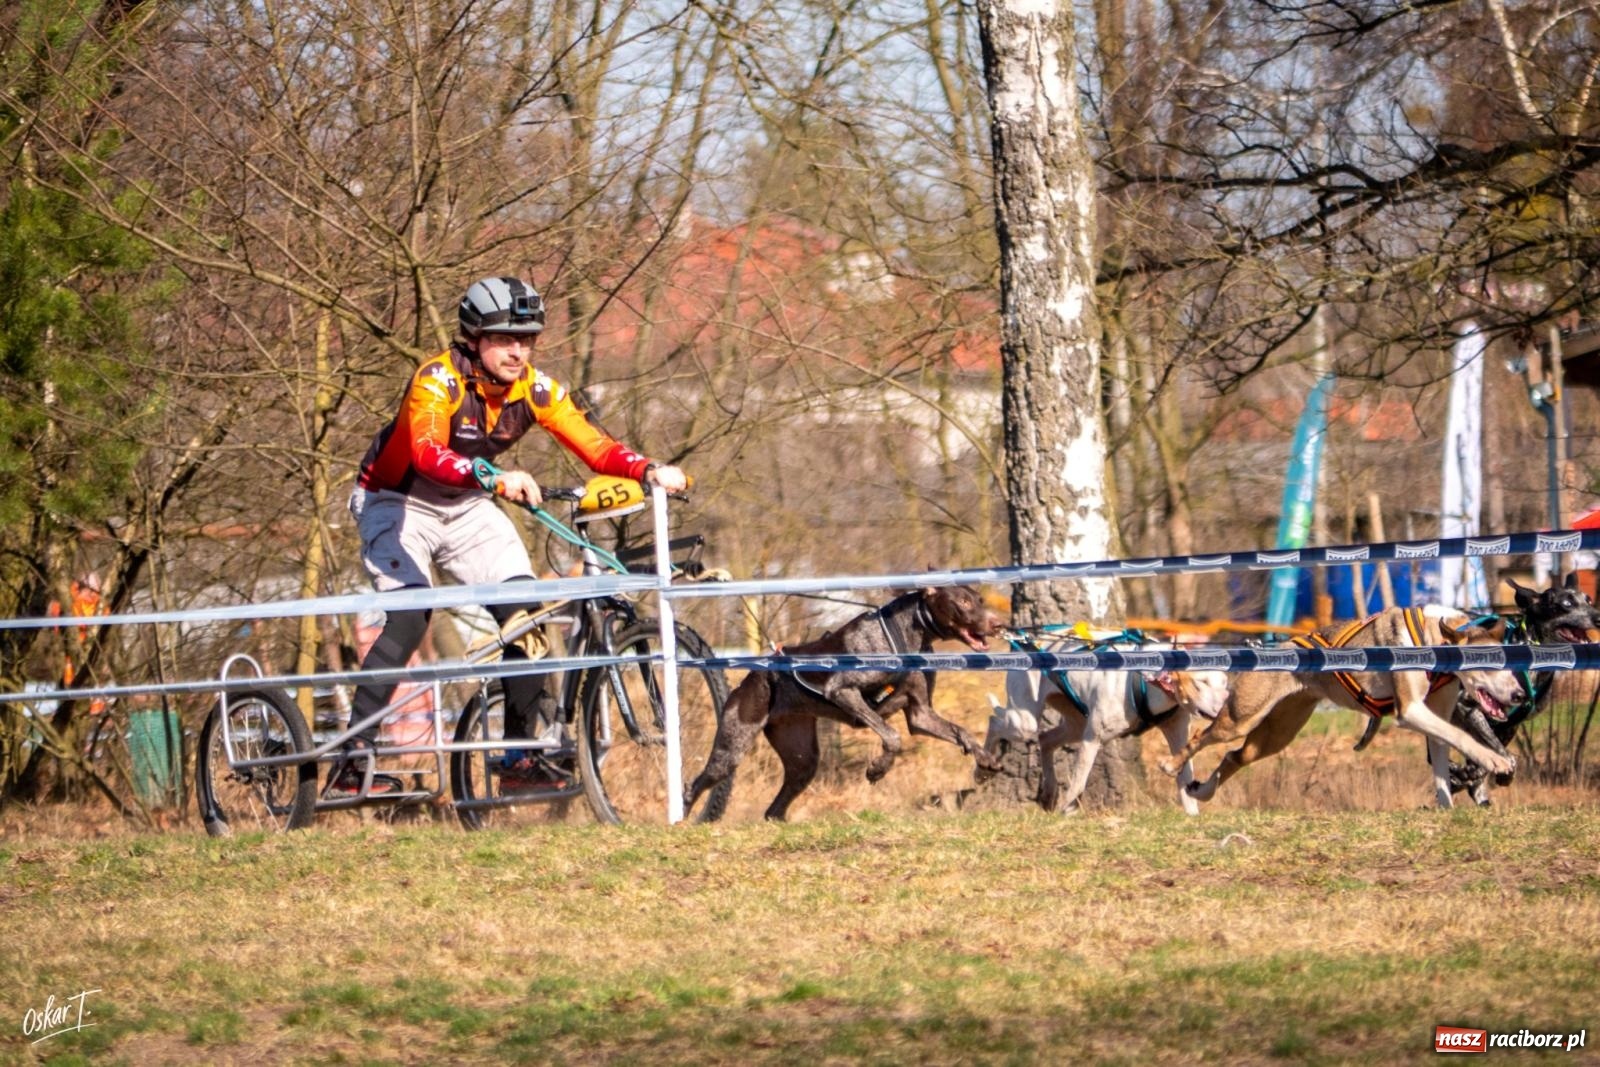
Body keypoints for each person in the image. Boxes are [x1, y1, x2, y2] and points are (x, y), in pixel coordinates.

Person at [333, 275, 688, 796]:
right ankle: (353, 754)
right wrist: (493, 477)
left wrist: (648, 469)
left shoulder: (534, 389)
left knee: (527, 616)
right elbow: (427, 451)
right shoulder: (437, 380)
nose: (517, 351)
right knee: (411, 617)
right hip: (397, 500)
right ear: (474, 339)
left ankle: (519, 754)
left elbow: (593, 445)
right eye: (504, 339)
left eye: (526, 340)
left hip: (467, 504)